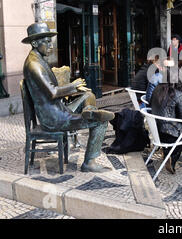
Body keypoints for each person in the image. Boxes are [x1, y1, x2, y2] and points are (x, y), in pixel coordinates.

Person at [22, 23, 114, 173]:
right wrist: (73, 86)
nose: (50, 45)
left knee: (88, 95)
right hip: (53, 118)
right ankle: (89, 163)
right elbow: (52, 92)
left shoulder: (37, 59)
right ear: (34, 43)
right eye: (46, 41)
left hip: (57, 109)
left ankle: (89, 112)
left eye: (50, 41)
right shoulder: (34, 65)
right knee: (100, 123)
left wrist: (74, 88)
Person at [150, 76, 182, 174]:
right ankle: (172, 154)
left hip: (156, 134)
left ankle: (167, 151)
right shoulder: (177, 94)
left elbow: (149, 105)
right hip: (170, 136)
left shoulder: (156, 90)